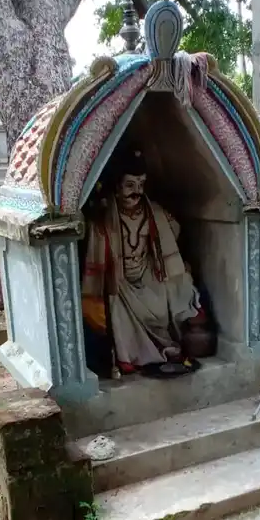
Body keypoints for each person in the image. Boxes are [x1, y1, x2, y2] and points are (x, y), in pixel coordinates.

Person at [82, 150, 201, 375]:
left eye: (141, 184)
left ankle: (168, 345)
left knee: (176, 283)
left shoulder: (154, 211)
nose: (137, 191)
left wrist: (168, 259)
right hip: (120, 278)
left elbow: (173, 232)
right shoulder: (105, 216)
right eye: (129, 185)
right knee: (113, 299)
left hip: (148, 273)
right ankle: (129, 356)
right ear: (116, 187)